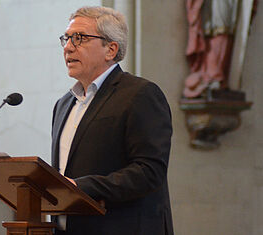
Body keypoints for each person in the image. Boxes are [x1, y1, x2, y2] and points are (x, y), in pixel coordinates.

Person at [51, 6, 174, 235]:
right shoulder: (63, 105)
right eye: (66, 38)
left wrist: (82, 187)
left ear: (111, 49)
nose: (68, 47)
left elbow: (149, 171)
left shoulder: (140, 94)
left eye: (79, 38)